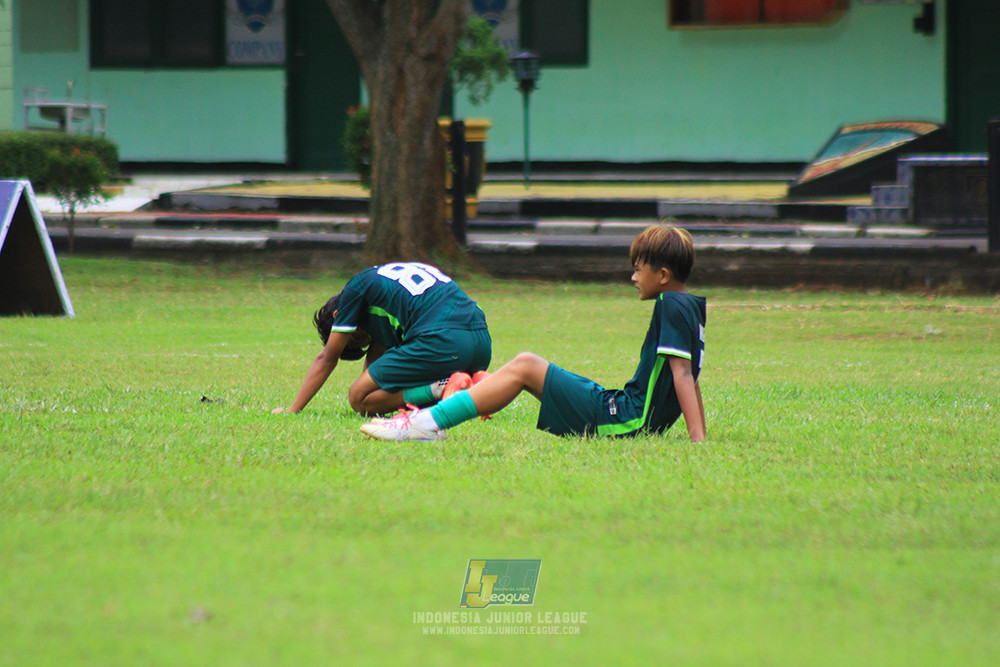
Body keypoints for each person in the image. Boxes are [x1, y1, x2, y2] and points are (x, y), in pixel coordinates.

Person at [360, 226, 707, 442]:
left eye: (638, 269)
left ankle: (425, 423)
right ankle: (429, 420)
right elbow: (691, 377)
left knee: (525, 365)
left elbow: (681, 375)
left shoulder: (670, 306)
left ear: (662, 275)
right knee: (526, 365)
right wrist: (698, 433)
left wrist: (697, 441)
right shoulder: (689, 306)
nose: (633, 277)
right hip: (621, 408)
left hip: (622, 418)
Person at [273, 262, 492, 416]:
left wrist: (293, 410)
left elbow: (327, 358)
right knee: (400, 402)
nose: (368, 341)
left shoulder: (355, 289)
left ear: (339, 318)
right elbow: (377, 356)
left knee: (358, 398)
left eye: (357, 338)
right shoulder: (384, 293)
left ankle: (440, 387)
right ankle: (472, 382)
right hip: (481, 342)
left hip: (443, 340)